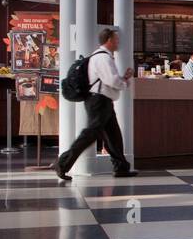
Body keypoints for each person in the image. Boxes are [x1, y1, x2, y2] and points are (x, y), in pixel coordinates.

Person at [52, 27, 136, 180]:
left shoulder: (101, 56)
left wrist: (123, 79)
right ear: (109, 40)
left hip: (103, 100)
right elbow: (111, 80)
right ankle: (62, 163)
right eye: (116, 39)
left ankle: (121, 167)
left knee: (113, 135)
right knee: (90, 134)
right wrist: (124, 82)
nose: (118, 42)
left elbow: (109, 79)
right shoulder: (103, 58)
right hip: (99, 101)